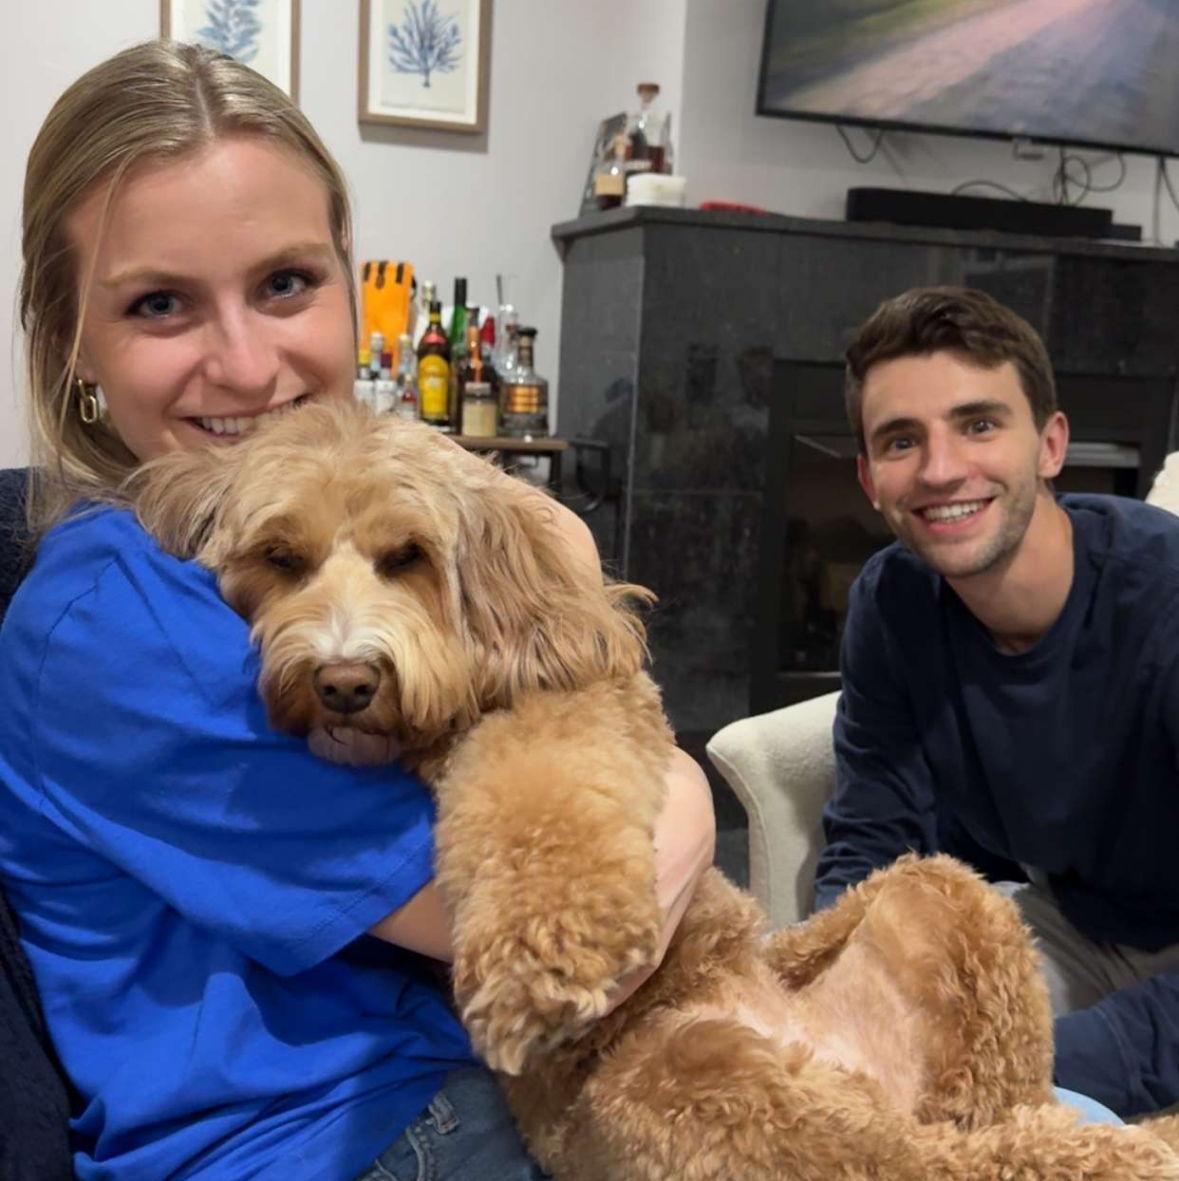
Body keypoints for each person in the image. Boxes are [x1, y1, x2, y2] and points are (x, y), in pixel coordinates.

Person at [0, 41, 716, 1181]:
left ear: (351, 276)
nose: (247, 366)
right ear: (70, 344)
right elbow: (560, 942)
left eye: (286, 283)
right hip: (333, 1137)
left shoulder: (311, 524)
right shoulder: (107, 619)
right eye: (159, 303)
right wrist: (689, 787)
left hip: (465, 1081)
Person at [814, 284, 1179, 1121]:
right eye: (901, 440)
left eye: (978, 424)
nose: (940, 469)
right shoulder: (892, 602)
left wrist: (1016, 1067)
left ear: (1049, 444)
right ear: (869, 478)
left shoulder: (1161, 602)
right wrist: (836, 1000)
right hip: (1073, 922)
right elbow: (871, 837)